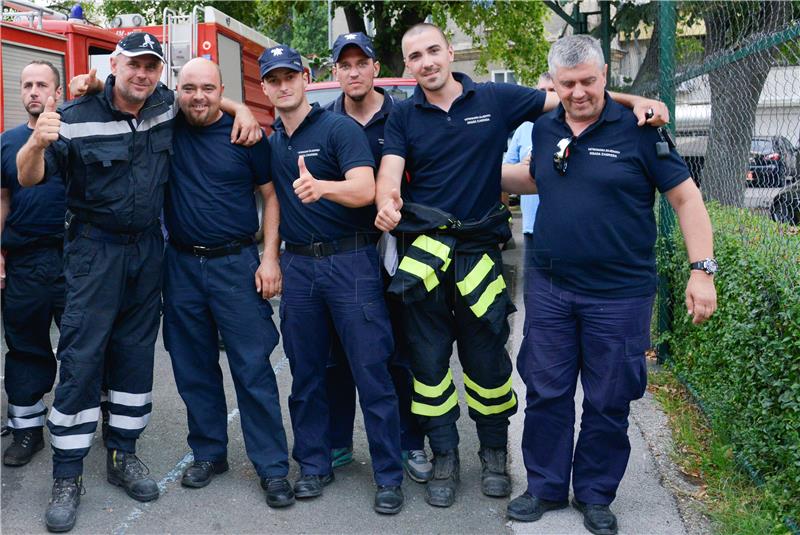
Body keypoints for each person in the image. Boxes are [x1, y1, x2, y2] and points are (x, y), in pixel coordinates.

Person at [374, 22, 670, 509]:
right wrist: (387, 200)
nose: (426, 61)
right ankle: (444, 454)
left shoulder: (496, 97)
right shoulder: (403, 116)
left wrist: (632, 102)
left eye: (433, 50)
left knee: (488, 359)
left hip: (479, 256)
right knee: (427, 365)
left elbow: (574, 93)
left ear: (449, 52)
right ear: (406, 65)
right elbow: (390, 172)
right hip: (423, 255)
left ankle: (494, 454)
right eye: (414, 56)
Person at [17, 32, 261, 533]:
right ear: (117, 65)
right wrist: (35, 143)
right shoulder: (75, 115)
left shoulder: (165, 107)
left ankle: (122, 454)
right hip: (93, 250)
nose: (142, 75)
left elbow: (204, 97)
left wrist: (241, 110)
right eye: (134, 65)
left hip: (148, 249)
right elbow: (27, 176)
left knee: (133, 354)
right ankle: (67, 474)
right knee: (82, 356)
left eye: (151, 67)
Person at [501, 35, 717, 535]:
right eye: (568, 83)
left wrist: (701, 270)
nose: (579, 93)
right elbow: (538, 177)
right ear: (553, 83)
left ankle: (596, 493)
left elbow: (686, 200)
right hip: (552, 287)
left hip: (620, 294)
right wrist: (471, 174)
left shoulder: (640, 130)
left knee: (608, 397)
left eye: (589, 82)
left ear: (605, 77)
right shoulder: (543, 128)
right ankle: (545, 487)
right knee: (547, 390)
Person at [259, 44, 404, 515]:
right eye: (273, 80)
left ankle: (388, 476)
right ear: (265, 87)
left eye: (289, 77)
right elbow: (276, 200)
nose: (283, 86)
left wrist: (323, 188)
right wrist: (273, 259)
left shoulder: (339, 127)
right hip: (300, 269)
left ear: (306, 78)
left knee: (371, 371)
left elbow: (366, 188)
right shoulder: (273, 139)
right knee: (306, 373)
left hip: (351, 265)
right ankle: (315, 464)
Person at [160, 58, 293, 508]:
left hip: (236, 265)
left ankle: (273, 467)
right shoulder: (166, 126)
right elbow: (125, 90)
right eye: (189, 87)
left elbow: (271, 196)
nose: (198, 96)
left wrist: (270, 257)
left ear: (221, 90)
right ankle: (208, 453)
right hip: (179, 266)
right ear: (177, 89)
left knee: (252, 369)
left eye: (209, 89)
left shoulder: (247, 137)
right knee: (192, 367)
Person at [324, 31, 432, 483]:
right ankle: (337, 444)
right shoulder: (324, 120)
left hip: (398, 252)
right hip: (345, 255)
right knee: (338, 356)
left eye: (360, 63)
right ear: (335, 72)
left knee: (401, 354)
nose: (353, 72)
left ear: (375, 68)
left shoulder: (403, 117)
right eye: (344, 65)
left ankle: (411, 443)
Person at [1, 61, 66, 468]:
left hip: (74, 258)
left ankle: (94, 426)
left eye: (42, 85)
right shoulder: (6, 142)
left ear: (57, 93)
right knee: (25, 345)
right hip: (25, 260)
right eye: (27, 85)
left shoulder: (73, 137)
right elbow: (3, 199)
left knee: (86, 345)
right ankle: (27, 432)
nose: (34, 92)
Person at [502, 72, 555, 265]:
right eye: (542, 91)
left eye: (552, 90)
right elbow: (505, 169)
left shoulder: (569, 126)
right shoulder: (524, 128)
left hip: (562, 224)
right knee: (533, 286)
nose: (548, 96)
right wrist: (523, 166)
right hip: (532, 225)